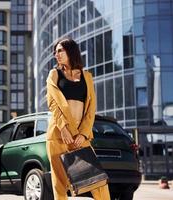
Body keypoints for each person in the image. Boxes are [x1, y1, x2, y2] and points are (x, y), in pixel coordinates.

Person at [46, 38, 111, 200]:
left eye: (60, 50)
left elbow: (91, 109)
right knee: (59, 183)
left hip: (80, 136)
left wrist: (83, 134)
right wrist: (63, 127)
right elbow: (53, 103)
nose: (57, 54)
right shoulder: (54, 74)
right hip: (58, 134)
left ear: (71, 51)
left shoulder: (87, 77)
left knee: (97, 181)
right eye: (55, 52)